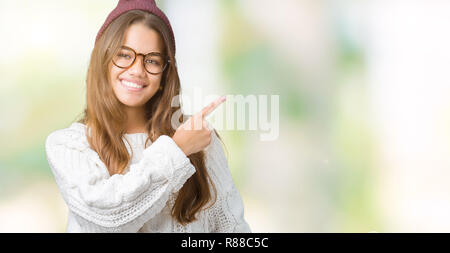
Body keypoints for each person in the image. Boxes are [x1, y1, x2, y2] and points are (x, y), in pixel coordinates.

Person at [44, 0, 251, 233]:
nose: (137, 70)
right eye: (124, 55)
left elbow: (233, 228)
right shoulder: (69, 145)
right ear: (102, 60)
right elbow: (107, 219)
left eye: (152, 60)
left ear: (165, 73)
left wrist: (186, 144)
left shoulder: (198, 138)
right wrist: (177, 150)